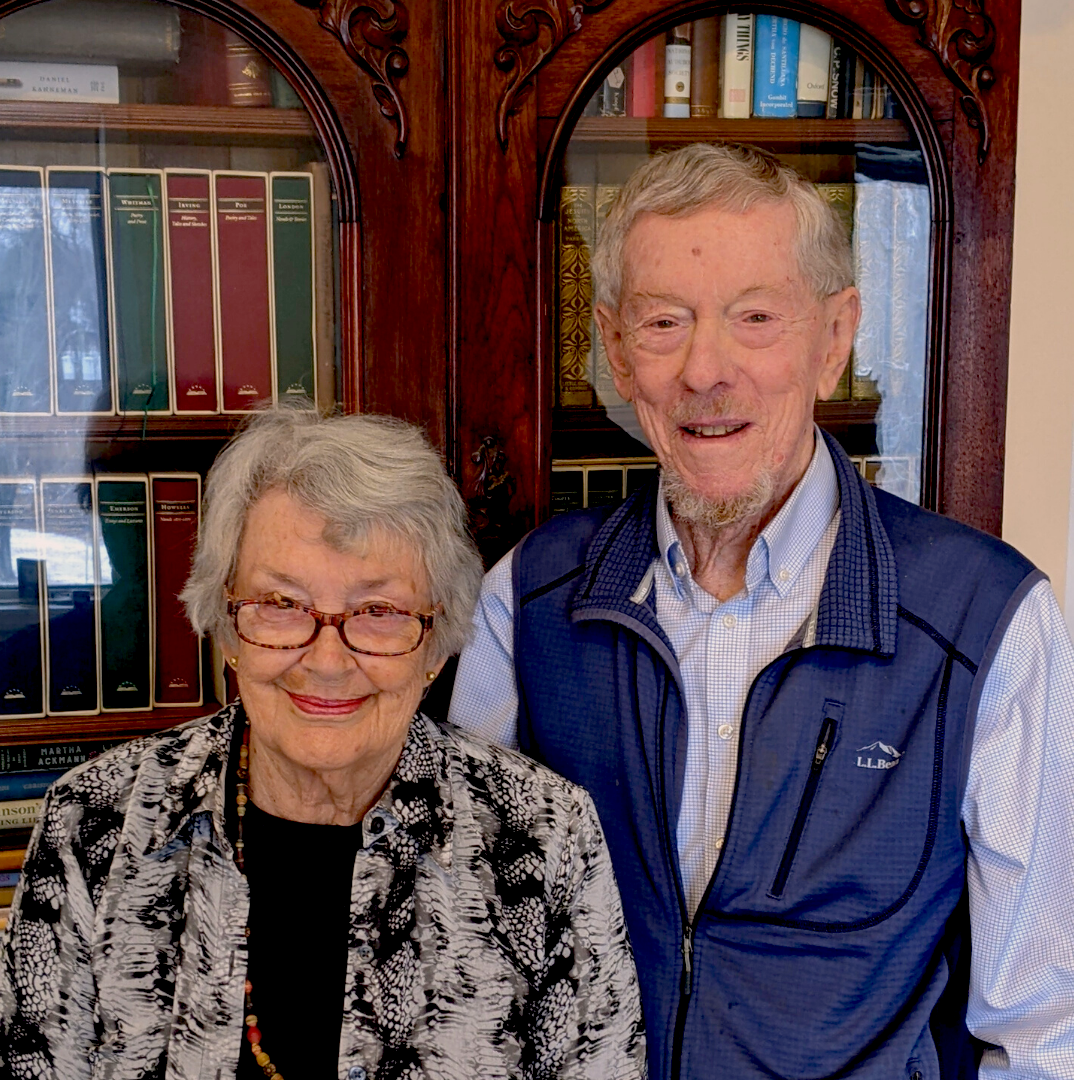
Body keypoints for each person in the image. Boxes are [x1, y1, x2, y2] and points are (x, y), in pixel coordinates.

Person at [449, 142, 1074, 1080]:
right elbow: (468, 943)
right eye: (665, 322)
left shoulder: (986, 620)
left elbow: (1041, 1028)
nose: (707, 370)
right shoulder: (529, 599)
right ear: (616, 352)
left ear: (834, 339)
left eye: (755, 318)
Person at [0, 410, 646, 1080]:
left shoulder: (543, 836)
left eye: (379, 612)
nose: (327, 660)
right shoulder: (96, 820)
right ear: (226, 627)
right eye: (281, 604)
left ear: (436, 642)